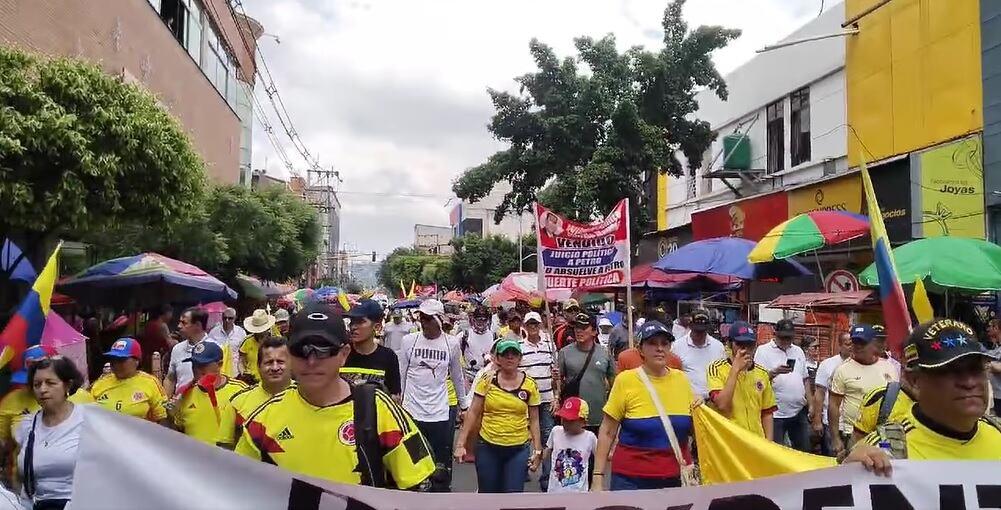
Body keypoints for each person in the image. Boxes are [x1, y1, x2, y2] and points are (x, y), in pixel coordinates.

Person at [236, 303, 435, 489]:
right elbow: (234, 487)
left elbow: (420, 484)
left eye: (323, 350)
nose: (312, 361)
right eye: (301, 350)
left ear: (343, 353)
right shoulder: (262, 421)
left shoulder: (380, 411)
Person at [844, 319, 1001, 472]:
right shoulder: (883, 453)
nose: (969, 382)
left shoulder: (997, 434)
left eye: (976, 369)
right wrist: (850, 473)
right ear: (915, 381)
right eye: (950, 371)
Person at [594, 321, 694, 491]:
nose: (660, 348)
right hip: (631, 480)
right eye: (652, 343)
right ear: (640, 349)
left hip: (675, 479)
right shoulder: (625, 380)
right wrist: (597, 477)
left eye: (665, 343)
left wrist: (700, 408)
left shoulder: (682, 380)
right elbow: (608, 431)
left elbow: (692, 429)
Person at [454, 339, 542, 493]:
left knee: (513, 496)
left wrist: (538, 450)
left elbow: (534, 420)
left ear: (519, 358)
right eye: (505, 354)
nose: (509, 357)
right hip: (488, 446)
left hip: (518, 448)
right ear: (498, 358)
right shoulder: (487, 380)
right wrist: (461, 444)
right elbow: (473, 412)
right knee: (488, 495)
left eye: (513, 354)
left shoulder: (530, 384)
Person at [397, 299, 466, 492]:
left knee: (440, 465)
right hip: (412, 413)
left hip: (440, 414)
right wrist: (399, 405)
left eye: (428, 318)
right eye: (421, 317)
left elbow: (457, 376)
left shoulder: (451, 344)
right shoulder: (409, 341)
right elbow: (402, 373)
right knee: (416, 461)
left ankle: (440, 498)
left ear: (438, 319)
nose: (423, 322)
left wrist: (464, 406)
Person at [16, 356, 87, 510]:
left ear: (67, 385)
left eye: (50, 383)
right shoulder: (27, 425)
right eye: (37, 384)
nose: (42, 389)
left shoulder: (88, 420)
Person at [828, 324, 899, 458]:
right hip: (854, 435)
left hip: (884, 436)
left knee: (885, 470)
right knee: (856, 473)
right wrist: (835, 439)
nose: (858, 346)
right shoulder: (842, 370)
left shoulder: (889, 367)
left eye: (863, 342)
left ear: (873, 344)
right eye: (855, 342)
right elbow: (834, 405)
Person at [216, 336, 292, 449]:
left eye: (280, 362)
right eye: (269, 362)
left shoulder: (309, 397)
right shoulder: (237, 402)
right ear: (258, 366)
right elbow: (224, 448)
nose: (275, 367)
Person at [707, 321, 776, 438]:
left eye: (750, 344)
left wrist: (769, 443)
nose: (745, 349)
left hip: (756, 440)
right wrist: (735, 369)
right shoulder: (716, 368)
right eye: (740, 344)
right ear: (729, 344)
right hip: (731, 440)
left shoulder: (762, 373)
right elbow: (722, 405)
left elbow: (767, 412)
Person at [171, 341, 248, 445]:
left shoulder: (240, 391)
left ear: (219, 364)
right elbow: (178, 432)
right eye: (194, 365)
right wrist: (171, 415)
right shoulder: (185, 394)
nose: (197, 370)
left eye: (203, 365)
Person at [753, 319, 812, 451]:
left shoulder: (798, 351)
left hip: (798, 411)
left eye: (789, 337)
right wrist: (773, 373)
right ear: (775, 334)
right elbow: (756, 382)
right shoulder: (763, 351)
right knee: (776, 452)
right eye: (783, 337)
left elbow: (805, 379)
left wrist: (811, 404)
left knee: (804, 450)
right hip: (775, 414)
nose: (786, 340)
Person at [558, 313, 616, 441]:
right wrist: (555, 380)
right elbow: (558, 385)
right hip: (573, 417)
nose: (579, 331)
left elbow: (614, 384)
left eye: (584, 328)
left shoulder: (605, 353)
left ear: (594, 331)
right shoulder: (564, 353)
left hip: (598, 416)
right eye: (576, 327)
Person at [519, 311, 557, 491]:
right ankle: (522, 469)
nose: (533, 327)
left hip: (547, 398)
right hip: (525, 400)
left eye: (536, 324)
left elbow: (555, 373)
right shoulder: (519, 346)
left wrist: (557, 396)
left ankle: (547, 476)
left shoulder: (549, 345)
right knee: (524, 436)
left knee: (547, 437)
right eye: (530, 324)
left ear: (540, 325)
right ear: (525, 327)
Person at [91, 338, 168, 424]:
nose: (115, 364)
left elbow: (163, 418)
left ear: (136, 361)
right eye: (112, 360)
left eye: (121, 360)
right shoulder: (99, 384)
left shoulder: (150, 383)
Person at [342, 299, 401, 399]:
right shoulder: (341, 353)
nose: (353, 327)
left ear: (377, 327)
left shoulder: (388, 357)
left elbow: (394, 397)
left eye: (360, 322)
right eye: (352, 321)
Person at [165, 307, 226, 397]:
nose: (179, 326)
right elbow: (170, 378)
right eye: (180, 322)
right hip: (181, 404)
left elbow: (224, 380)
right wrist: (167, 400)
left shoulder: (218, 349)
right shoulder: (177, 349)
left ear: (198, 325)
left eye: (184, 323)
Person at [545, 397, 597, 493]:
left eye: (570, 420)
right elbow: (548, 450)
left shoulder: (590, 437)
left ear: (583, 422)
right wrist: (538, 457)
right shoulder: (556, 431)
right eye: (564, 418)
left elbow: (600, 458)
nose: (565, 423)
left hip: (579, 493)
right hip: (554, 491)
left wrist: (596, 480)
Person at [672, 309, 726, 399]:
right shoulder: (677, 347)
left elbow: (723, 373)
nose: (700, 335)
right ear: (690, 327)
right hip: (689, 400)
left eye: (702, 332)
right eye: (697, 332)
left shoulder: (718, 347)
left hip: (713, 401)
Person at [813, 332, 852, 455]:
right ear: (839, 346)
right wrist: (817, 420)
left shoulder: (860, 364)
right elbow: (819, 393)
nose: (851, 347)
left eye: (853, 344)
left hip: (853, 425)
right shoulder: (828, 365)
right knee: (831, 460)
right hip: (831, 423)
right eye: (847, 344)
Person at [459, 306, 496, 388]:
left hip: (487, 375)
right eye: (479, 319)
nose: (481, 322)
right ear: (474, 319)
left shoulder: (493, 335)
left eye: (484, 320)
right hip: (469, 376)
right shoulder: (465, 335)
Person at [208, 307, 246, 378]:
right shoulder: (214, 332)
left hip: (236, 373)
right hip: (218, 372)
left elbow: (243, 354)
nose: (227, 320)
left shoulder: (241, 332)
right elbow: (209, 351)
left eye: (230, 318)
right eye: (225, 318)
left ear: (235, 318)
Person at [240, 309, 276, 383]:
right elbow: (241, 361)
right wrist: (243, 373)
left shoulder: (274, 341)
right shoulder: (247, 341)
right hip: (252, 381)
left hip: (271, 380)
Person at [141, 305, 173, 375]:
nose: (171, 316)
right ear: (166, 313)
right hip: (158, 358)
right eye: (171, 313)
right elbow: (169, 344)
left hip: (146, 357)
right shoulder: (162, 325)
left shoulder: (148, 324)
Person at [986, 319, 1001, 416]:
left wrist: (989, 365)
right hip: (994, 394)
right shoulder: (995, 347)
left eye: (990, 326)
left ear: (996, 328)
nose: (988, 329)